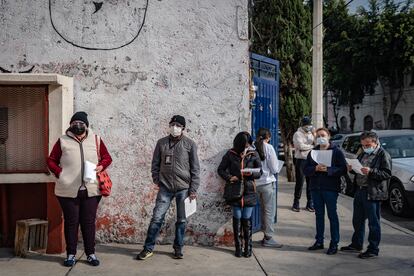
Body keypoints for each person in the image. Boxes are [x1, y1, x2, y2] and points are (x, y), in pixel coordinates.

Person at [47, 111, 112, 267]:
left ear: (86, 125)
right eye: (75, 123)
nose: (78, 125)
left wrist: (101, 165)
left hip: (92, 190)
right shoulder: (62, 141)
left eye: (81, 123)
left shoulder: (96, 140)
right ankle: (71, 254)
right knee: (71, 223)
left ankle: (90, 254)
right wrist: (59, 173)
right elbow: (51, 160)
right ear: (70, 125)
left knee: (88, 223)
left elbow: (107, 157)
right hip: (67, 190)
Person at [137, 115, 200, 260]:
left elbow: (195, 169)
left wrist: (193, 189)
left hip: (183, 188)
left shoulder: (190, 144)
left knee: (181, 220)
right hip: (165, 187)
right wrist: (157, 180)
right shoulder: (161, 143)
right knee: (157, 218)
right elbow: (155, 164)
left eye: (178, 125)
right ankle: (148, 248)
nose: (175, 127)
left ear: (183, 128)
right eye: (173, 124)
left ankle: (178, 248)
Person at [340, 131, 392, 259]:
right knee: (357, 220)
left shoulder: (383, 154)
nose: (365, 147)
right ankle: (356, 244)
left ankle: (373, 249)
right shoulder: (362, 153)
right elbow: (358, 168)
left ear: (375, 142)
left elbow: (386, 173)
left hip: (373, 192)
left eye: (368, 145)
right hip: (360, 190)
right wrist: (351, 168)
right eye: (363, 145)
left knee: (373, 223)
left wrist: (371, 171)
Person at [218, 131, 262, 258]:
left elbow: (260, 172)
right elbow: (220, 169)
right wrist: (230, 177)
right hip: (234, 190)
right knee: (237, 217)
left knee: (246, 219)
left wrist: (251, 174)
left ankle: (248, 247)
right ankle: (238, 247)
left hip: (249, 190)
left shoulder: (254, 154)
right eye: (245, 144)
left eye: (249, 143)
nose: (247, 146)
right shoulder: (230, 154)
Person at [303, 128, 347, 255]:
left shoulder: (336, 151)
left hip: (330, 188)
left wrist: (328, 170)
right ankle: (319, 241)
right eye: (318, 136)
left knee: (332, 216)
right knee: (319, 216)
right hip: (315, 188)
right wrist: (315, 168)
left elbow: (343, 169)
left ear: (328, 136)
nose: (320, 138)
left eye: (323, 135)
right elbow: (305, 169)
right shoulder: (313, 152)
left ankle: (334, 243)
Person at [254, 128, 282, 248]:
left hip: (255, 184)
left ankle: (264, 235)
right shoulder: (269, 148)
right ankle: (268, 237)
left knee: (260, 210)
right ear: (268, 137)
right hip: (267, 183)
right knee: (269, 211)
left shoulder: (252, 147)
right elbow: (275, 169)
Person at [292, 116, 315, 212]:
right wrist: (311, 146)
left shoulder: (312, 133)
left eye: (309, 125)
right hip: (301, 160)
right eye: (306, 125)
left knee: (310, 182)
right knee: (300, 182)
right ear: (302, 125)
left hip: (311, 159)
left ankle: (310, 203)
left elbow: (317, 143)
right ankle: (296, 202)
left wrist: (314, 134)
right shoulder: (297, 134)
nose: (308, 127)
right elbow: (300, 146)